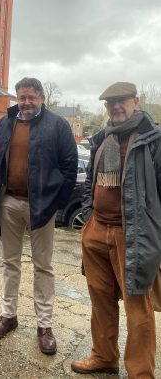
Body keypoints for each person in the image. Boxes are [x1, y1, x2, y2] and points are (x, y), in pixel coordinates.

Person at [71, 82, 161, 378]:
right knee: (101, 301)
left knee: (138, 309)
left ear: (136, 101)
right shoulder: (100, 138)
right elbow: (90, 183)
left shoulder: (153, 140)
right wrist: (87, 217)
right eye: (110, 103)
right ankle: (104, 357)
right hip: (96, 230)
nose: (116, 106)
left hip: (133, 236)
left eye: (122, 100)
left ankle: (141, 373)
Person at [0, 77, 78, 354]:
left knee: (43, 266)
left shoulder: (57, 125)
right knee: (10, 263)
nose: (26, 102)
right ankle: (8, 316)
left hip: (42, 206)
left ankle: (44, 326)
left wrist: (56, 203)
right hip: (10, 202)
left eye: (32, 97)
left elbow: (69, 166)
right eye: (22, 97)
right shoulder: (6, 123)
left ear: (41, 98)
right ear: (17, 98)